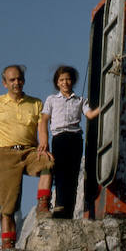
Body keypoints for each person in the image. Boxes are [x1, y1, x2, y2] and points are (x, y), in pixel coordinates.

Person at [0, 65, 53, 249]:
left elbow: (42, 125)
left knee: (48, 162)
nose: (16, 83)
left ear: (23, 80)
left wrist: (43, 143)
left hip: (30, 151)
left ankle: (43, 206)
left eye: (19, 79)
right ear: (4, 83)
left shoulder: (36, 103)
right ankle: (8, 244)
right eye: (12, 80)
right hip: (7, 154)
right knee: (8, 206)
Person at [38, 65, 100, 218]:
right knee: (60, 172)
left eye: (67, 79)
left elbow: (90, 115)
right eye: (61, 80)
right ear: (57, 83)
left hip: (75, 139)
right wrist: (44, 140)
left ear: (72, 81)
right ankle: (59, 205)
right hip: (59, 138)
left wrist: (104, 106)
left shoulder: (80, 101)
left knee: (73, 174)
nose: (65, 82)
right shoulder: (51, 100)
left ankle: (69, 211)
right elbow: (44, 119)